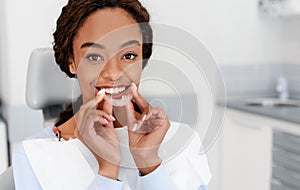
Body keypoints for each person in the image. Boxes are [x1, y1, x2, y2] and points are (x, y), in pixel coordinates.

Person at [12, 0, 211, 189]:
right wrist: (107, 170)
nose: (114, 72)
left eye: (129, 56)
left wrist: (149, 164)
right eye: (95, 56)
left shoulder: (182, 143)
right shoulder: (36, 157)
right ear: (71, 61)